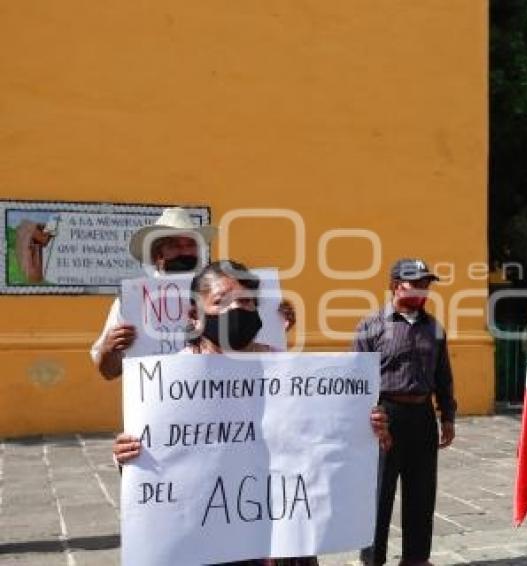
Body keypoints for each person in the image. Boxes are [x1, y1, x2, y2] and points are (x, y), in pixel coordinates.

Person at [114, 260, 392, 566]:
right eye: (223, 301)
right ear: (195, 315)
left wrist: (363, 428)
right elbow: (156, 461)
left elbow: (317, 438)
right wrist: (128, 455)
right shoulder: (165, 383)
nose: (238, 309)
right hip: (208, 542)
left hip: (283, 536)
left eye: (247, 302)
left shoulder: (286, 369)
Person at [356, 258, 457, 566]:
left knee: (422, 491)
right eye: (417, 283)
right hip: (386, 414)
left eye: (427, 285)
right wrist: (369, 418)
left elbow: (443, 374)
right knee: (378, 493)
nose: (423, 290)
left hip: (422, 415)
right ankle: (373, 559)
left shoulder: (434, 328)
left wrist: (447, 415)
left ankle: (416, 558)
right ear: (397, 285)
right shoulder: (371, 326)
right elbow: (359, 380)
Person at [91, 207, 216, 379]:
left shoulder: (216, 294)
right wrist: (109, 348)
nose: (185, 252)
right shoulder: (132, 301)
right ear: (158, 255)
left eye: (190, 245)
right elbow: (108, 372)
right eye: (174, 245)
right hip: (156, 399)